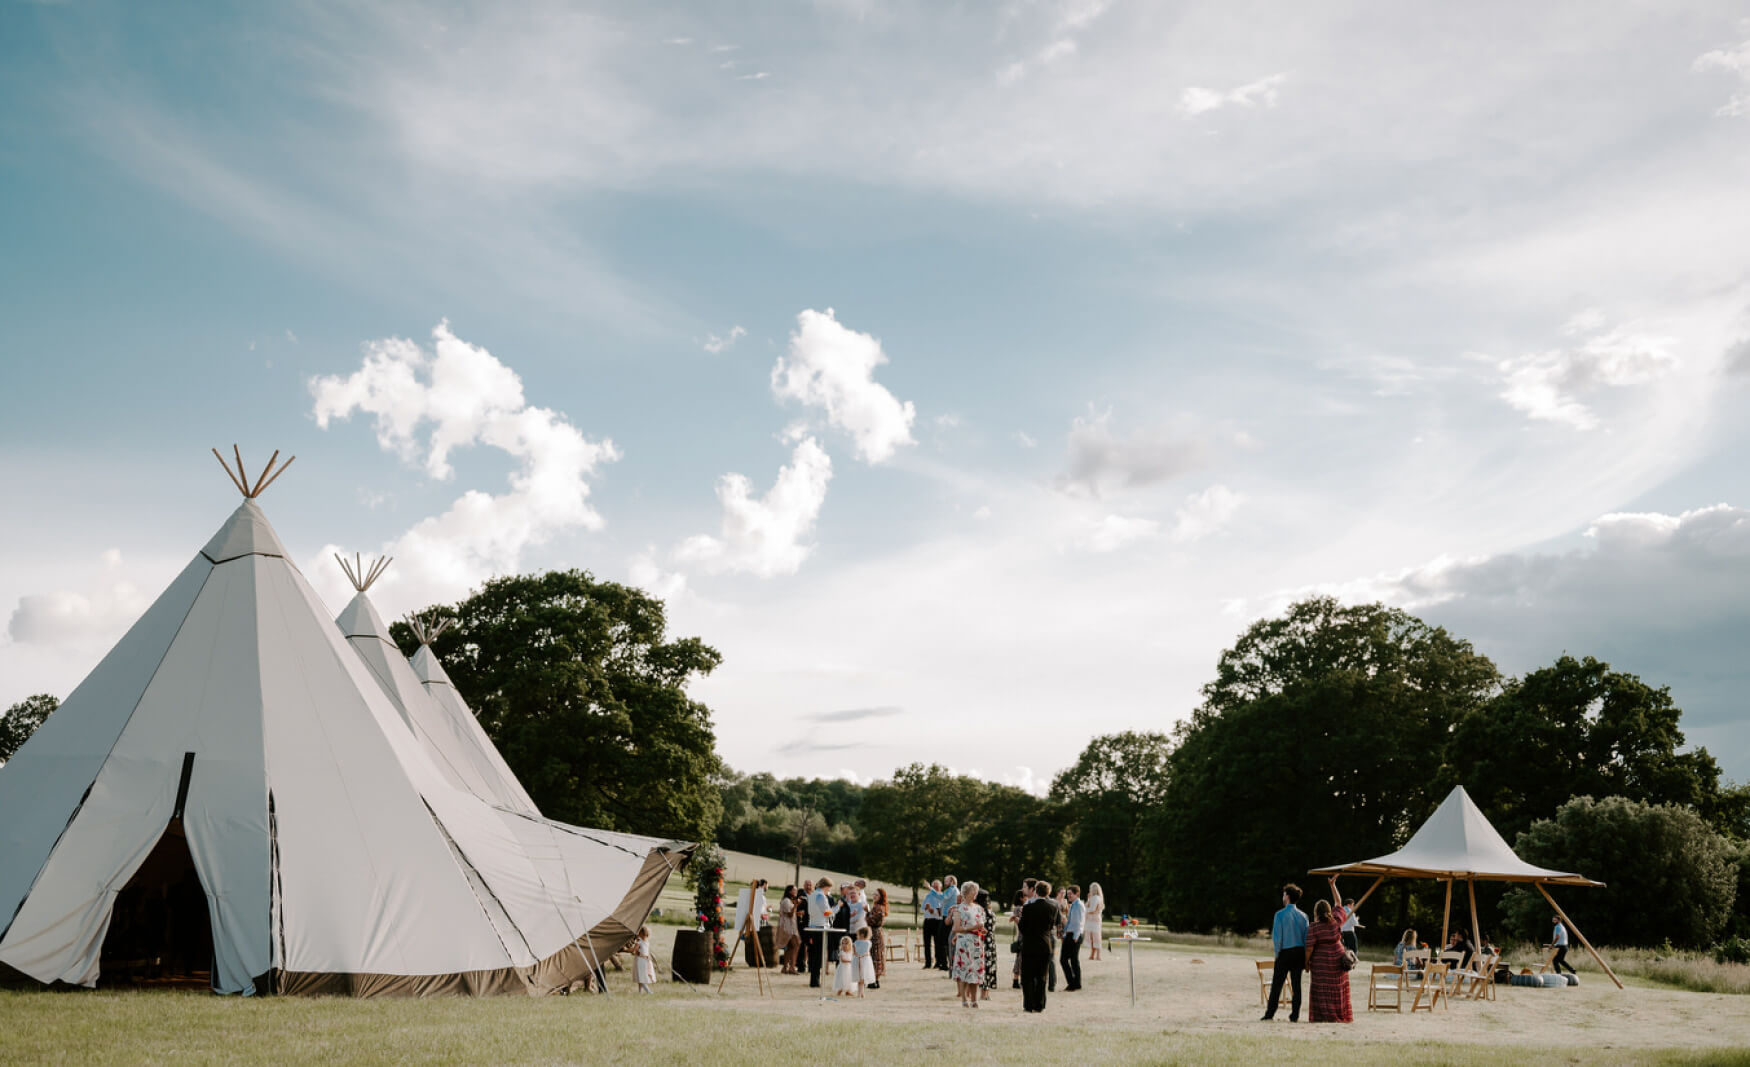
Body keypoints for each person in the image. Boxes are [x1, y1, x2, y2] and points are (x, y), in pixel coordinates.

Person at [1261, 883, 1308, 1022]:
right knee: (1296, 985)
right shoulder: (1304, 916)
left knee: (1277, 985)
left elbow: (1277, 939)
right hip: (1299, 952)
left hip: (1285, 952)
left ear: (1287, 896)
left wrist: (1277, 955)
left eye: (1283, 894)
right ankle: (1295, 1015)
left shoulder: (1279, 915)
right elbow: (1306, 938)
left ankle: (1270, 1013)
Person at [1304, 895, 1353, 1024]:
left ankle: (1322, 1016)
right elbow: (1338, 902)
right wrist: (1332, 885)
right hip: (1338, 960)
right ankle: (1338, 1014)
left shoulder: (1314, 927)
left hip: (1321, 962)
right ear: (1329, 911)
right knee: (1337, 988)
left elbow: (1309, 948)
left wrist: (1306, 964)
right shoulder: (1336, 921)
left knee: (1321, 988)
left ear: (1316, 912)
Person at [1018, 879, 1058, 1012]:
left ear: (1035, 891)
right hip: (1045, 944)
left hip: (1030, 944)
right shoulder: (1052, 908)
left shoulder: (1028, 908)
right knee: (1042, 976)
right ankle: (1040, 1004)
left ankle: (1029, 1004)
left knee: (1027, 976)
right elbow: (1052, 926)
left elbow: (1022, 927)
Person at [948, 880, 986, 1007]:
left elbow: (981, 925)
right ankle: (964, 999)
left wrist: (981, 929)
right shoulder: (958, 909)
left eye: (976, 891)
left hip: (976, 943)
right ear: (967, 892)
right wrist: (973, 927)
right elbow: (956, 929)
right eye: (973, 891)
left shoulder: (979, 908)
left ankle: (974, 999)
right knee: (964, 970)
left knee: (975, 971)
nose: (975, 893)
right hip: (964, 943)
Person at [806, 878, 834, 989]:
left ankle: (814, 979)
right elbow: (826, 912)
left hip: (812, 925)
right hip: (820, 926)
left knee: (814, 954)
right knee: (818, 955)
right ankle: (815, 980)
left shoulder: (812, 895)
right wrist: (836, 909)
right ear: (826, 887)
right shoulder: (821, 896)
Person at [1060, 885, 1085, 992]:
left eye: (1071, 894)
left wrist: (1076, 936)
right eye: (1068, 893)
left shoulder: (1079, 905)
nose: (1068, 896)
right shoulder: (1073, 905)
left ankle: (1074, 983)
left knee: (1070, 960)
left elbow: (1079, 922)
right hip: (1069, 934)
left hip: (1075, 935)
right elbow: (1070, 922)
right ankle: (1074, 983)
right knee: (1068, 960)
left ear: (1077, 894)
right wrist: (1064, 932)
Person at [937, 876, 960, 972]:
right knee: (943, 940)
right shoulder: (952, 890)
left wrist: (930, 888)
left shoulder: (952, 889)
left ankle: (946, 964)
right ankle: (944, 963)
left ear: (951, 881)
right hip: (947, 916)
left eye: (946, 880)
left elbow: (942, 897)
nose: (944, 882)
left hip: (949, 916)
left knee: (943, 940)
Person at [977, 888, 997, 998]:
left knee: (982, 966)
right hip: (991, 941)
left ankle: (982, 993)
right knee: (989, 966)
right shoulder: (991, 912)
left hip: (982, 941)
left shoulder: (980, 912)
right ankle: (987, 992)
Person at [920, 880, 944, 970]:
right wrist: (926, 908)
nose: (934, 888)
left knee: (937, 943)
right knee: (926, 943)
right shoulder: (928, 896)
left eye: (936, 886)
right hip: (927, 921)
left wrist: (932, 911)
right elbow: (922, 908)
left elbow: (941, 912)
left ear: (940, 887)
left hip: (937, 921)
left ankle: (938, 962)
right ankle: (928, 963)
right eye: (933, 886)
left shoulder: (941, 897)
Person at [868, 888, 888, 989]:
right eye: (873, 894)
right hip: (874, 932)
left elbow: (873, 921)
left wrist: (866, 914)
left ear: (881, 897)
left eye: (876, 895)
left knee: (876, 956)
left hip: (876, 933)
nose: (874, 896)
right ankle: (874, 979)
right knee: (874, 955)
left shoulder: (879, 908)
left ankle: (874, 980)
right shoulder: (876, 906)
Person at [833, 932, 858, 997]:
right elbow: (842, 960)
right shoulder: (842, 952)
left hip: (849, 969)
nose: (844, 945)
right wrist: (850, 961)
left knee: (849, 980)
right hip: (843, 969)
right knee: (842, 980)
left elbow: (854, 956)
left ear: (850, 945)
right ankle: (839, 991)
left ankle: (848, 991)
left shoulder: (851, 952)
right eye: (843, 943)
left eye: (846, 943)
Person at [633, 925, 656, 994]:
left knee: (641, 977)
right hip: (643, 960)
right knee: (641, 976)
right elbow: (637, 951)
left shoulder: (640, 942)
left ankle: (648, 991)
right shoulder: (645, 942)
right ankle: (640, 992)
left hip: (641, 960)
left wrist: (625, 950)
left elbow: (634, 950)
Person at [1086, 882, 1105, 961]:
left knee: (1095, 938)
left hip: (1093, 920)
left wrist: (1084, 910)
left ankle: (1098, 955)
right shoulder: (1097, 898)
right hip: (1095, 920)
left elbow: (1092, 909)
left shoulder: (1095, 898)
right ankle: (1093, 955)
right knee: (1093, 938)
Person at [854, 926, 876, 995]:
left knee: (861, 977)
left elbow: (865, 952)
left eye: (858, 935)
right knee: (860, 977)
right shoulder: (861, 942)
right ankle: (860, 992)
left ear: (862, 935)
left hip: (863, 960)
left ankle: (861, 992)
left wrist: (859, 956)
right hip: (861, 959)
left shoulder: (866, 943)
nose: (857, 936)